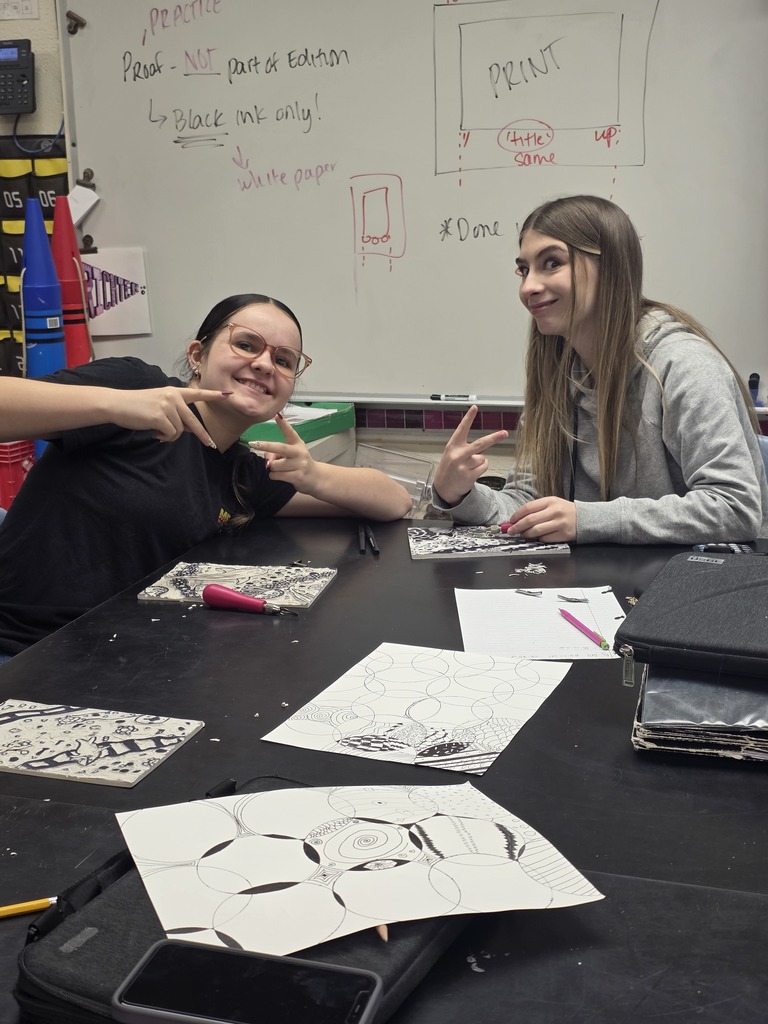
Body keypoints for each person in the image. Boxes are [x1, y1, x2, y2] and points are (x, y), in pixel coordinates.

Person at [0, 293, 412, 659]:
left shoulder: (241, 471)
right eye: (246, 344)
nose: (264, 363)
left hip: (121, 659)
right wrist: (112, 405)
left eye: (283, 360)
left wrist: (313, 473)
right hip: (25, 653)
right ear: (197, 355)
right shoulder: (135, 388)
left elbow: (395, 501)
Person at [432, 194, 768, 544]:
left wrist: (588, 520)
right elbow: (528, 504)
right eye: (524, 269)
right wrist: (459, 494)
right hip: (604, 583)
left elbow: (736, 508)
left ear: (610, 267)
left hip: (695, 582)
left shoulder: (685, 366)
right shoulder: (558, 375)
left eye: (551, 263)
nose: (528, 287)